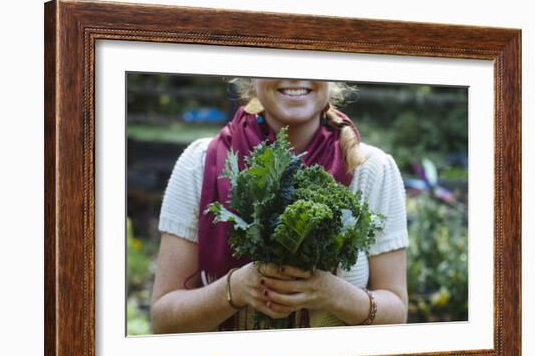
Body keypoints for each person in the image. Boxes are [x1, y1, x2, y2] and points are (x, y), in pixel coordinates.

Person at [150, 78, 409, 333]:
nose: (295, 75)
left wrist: (332, 293)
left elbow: (397, 313)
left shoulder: (372, 168)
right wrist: (235, 289)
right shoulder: (200, 163)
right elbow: (163, 321)